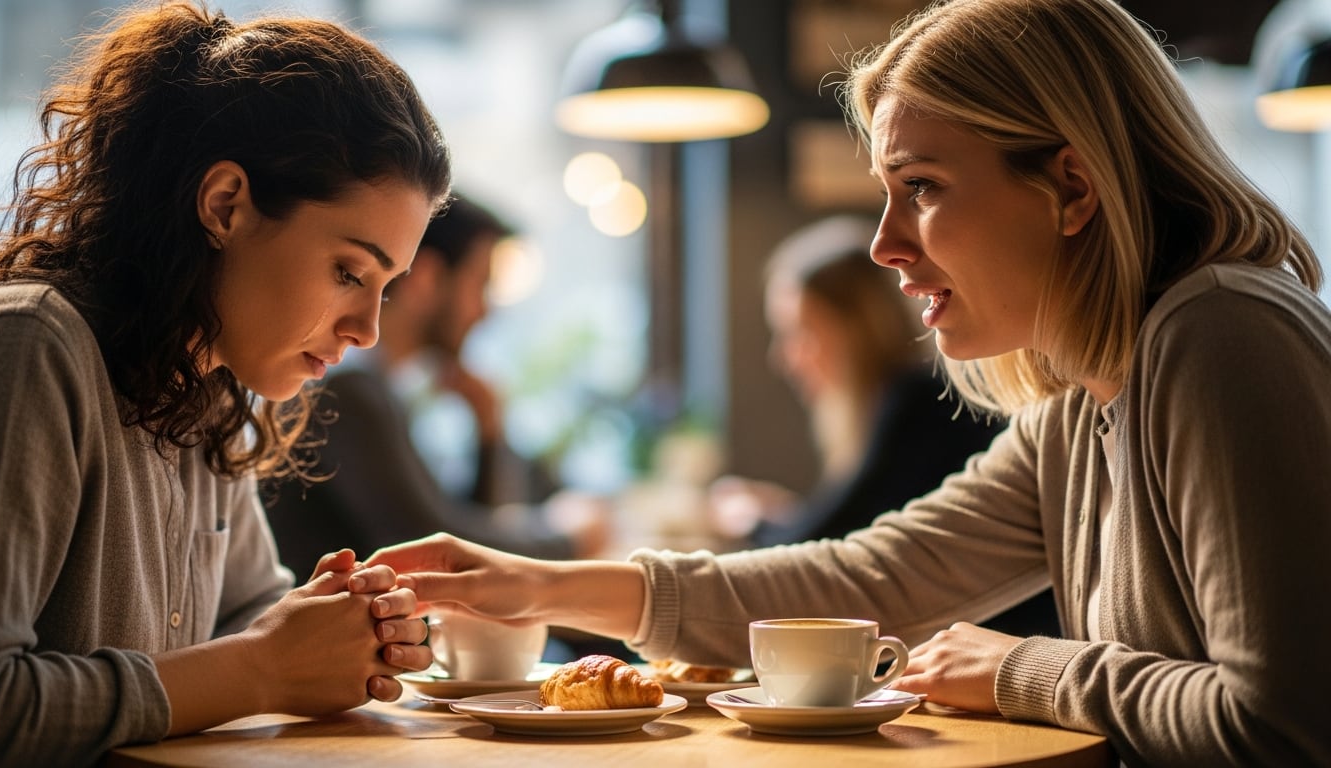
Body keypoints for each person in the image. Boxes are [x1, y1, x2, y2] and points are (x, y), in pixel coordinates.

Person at [361, 0, 1331, 764]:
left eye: (923, 188)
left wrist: (1021, 671)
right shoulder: (1088, 400)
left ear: (1072, 189)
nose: (884, 245)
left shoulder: (1219, 338)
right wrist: (536, 587)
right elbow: (870, 578)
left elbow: (1280, 727)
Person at [0, 4, 448, 765]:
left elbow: (243, 620)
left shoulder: (205, 391)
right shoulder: (25, 349)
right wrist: (265, 666)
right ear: (225, 204)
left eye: (384, 288)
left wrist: (336, 630)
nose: (367, 328)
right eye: (348, 273)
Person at [708, 215, 1056, 637]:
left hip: (994, 650)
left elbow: (832, 553)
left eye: (802, 331)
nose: (785, 358)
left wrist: (749, 519)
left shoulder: (920, 401)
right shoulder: (900, 398)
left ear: (856, 326)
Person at [263, 195, 609, 580]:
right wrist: (570, 538)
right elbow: (437, 552)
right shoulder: (345, 392)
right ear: (427, 278)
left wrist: (489, 431)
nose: (485, 310)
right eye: (481, 286)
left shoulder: (385, 388)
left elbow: (467, 529)